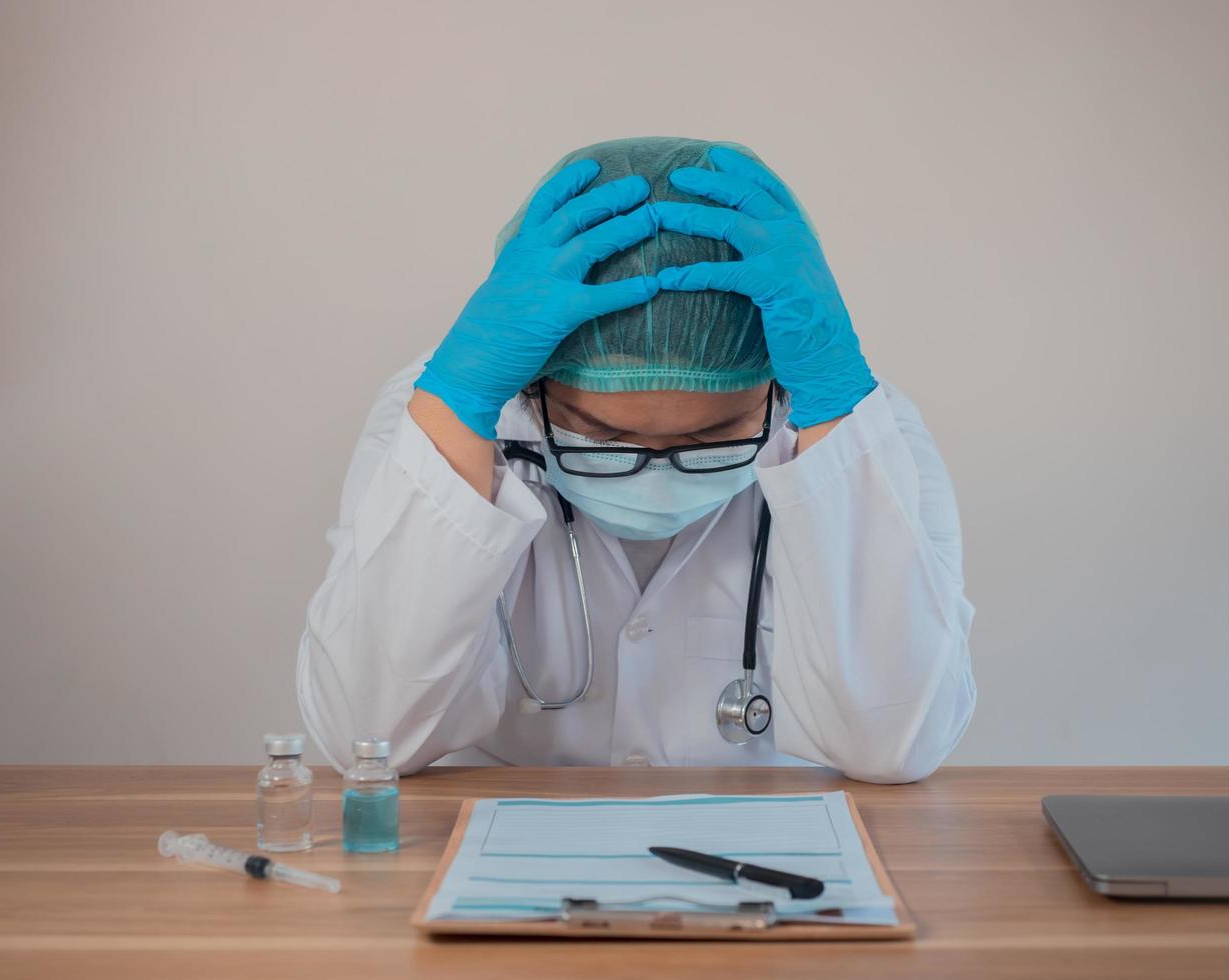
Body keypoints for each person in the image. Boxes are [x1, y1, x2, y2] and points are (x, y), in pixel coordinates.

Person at [297, 137, 975, 783]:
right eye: (601, 434)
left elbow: (895, 744)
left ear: (778, 389)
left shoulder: (854, 429)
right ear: (534, 388)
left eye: (715, 437)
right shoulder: (450, 418)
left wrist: (834, 423)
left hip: (769, 864)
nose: (657, 472)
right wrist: (458, 403)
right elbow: (369, 737)